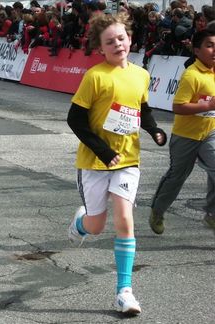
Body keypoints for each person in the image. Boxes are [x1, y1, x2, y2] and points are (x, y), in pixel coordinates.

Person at [66, 13, 167, 315]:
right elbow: (75, 120)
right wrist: (102, 151)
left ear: (130, 38)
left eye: (121, 38)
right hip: (95, 162)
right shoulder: (95, 76)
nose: (117, 44)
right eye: (110, 41)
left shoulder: (141, 74)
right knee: (96, 226)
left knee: (124, 218)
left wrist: (155, 130)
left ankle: (125, 291)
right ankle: (80, 223)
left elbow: (142, 109)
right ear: (101, 48)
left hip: (127, 160)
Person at [149, 29, 215, 234]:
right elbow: (178, 107)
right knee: (177, 177)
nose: (214, 50)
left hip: (210, 133)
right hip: (185, 137)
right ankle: (157, 211)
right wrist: (208, 106)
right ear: (196, 50)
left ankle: (211, 214)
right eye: (209, 45)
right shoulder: (191, 75)